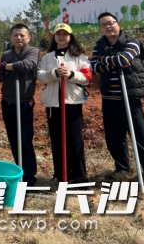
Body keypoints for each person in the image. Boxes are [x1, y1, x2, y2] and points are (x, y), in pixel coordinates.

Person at [90, 12, 144, 189]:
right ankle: (122, 169)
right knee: (114, 137)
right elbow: (94, 66)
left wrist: (106, 62)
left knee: (140, 137)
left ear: (118, 23)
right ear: (101, 28)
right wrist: (111, 62)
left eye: (110, 23)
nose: (108, 26)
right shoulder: (100, 45)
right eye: (103, 24)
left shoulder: (132, 42)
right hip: (109, 98)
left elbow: (124, 58)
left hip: (129, 97)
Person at [38, 23, 91, 183]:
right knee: (57, 140)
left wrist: (71, 74)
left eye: (65, 34)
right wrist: (53, 73)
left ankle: (80, 177)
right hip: (53, 104)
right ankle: (61, 176)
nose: (61, 36)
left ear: (70, 36)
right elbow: (40, 76)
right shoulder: (48, 57)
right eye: (58, 34)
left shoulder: (79, 56)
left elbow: (87, 78)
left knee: (75, 140)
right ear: (54, 37)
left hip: (72, 102)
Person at [0, 24, 39, 185]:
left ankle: (29, 177)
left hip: (24, 102)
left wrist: (10, 66)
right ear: (11, 38)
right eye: (15, 35)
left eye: (22, 35)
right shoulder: (7, 53)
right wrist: (0, 71)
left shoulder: (32, 51)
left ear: (28, 37)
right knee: (13, 139)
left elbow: (29, 64)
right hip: (7, 102)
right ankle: (18, 171)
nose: (18, 38)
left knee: (25, 140)